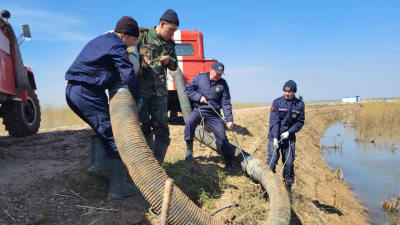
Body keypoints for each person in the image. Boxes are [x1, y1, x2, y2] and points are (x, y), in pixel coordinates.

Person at [65, 16, 142, 200]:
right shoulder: (117, 44)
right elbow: (126, 71)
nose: (132, 45)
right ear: (124, 35)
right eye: (132, 41)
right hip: (86, 92)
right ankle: (118, 188)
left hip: (76, 90)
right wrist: (137, 96)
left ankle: (99, 167)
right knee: (112, 136)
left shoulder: (100, 40)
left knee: (102, 127)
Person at [135, 9, 179, 165]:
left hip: (160, 93)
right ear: (162, 24)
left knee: (162, 130)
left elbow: (175, 66)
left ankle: (157, 165)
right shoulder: (142, 35)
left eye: (175, 31)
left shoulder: (170, 44)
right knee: (141, 127)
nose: (172, 34)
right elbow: (129, 52)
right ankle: (144, 165)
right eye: (171, 30)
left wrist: (170, 61)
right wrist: (140, 58)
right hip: (141, 92)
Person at [183, 62, 235, 173]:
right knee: (189, 121)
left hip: (214, 113)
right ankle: (189, 150)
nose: (219, 76)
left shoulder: (223, 85)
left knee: (222, 136)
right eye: (217, 73)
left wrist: (229, 119)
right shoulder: (199, 78)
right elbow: (187, 90)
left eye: (221, 74)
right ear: (211, 70)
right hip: (199, 109)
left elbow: (226, 103)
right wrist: (199, 97)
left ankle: (229, 163)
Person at [266, 80, 305, 202]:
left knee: (288, 164)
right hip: (275, 137)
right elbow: (274, 122)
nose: (287, 93)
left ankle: (288, 187)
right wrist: (275, 138)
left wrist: (289, 132)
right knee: (271, 163)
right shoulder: (277, 102)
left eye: (290, 91)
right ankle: (268, 189)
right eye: (285, 91)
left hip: (289, 138)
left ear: (294, 92)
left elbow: (300, 122)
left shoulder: (299, 105)